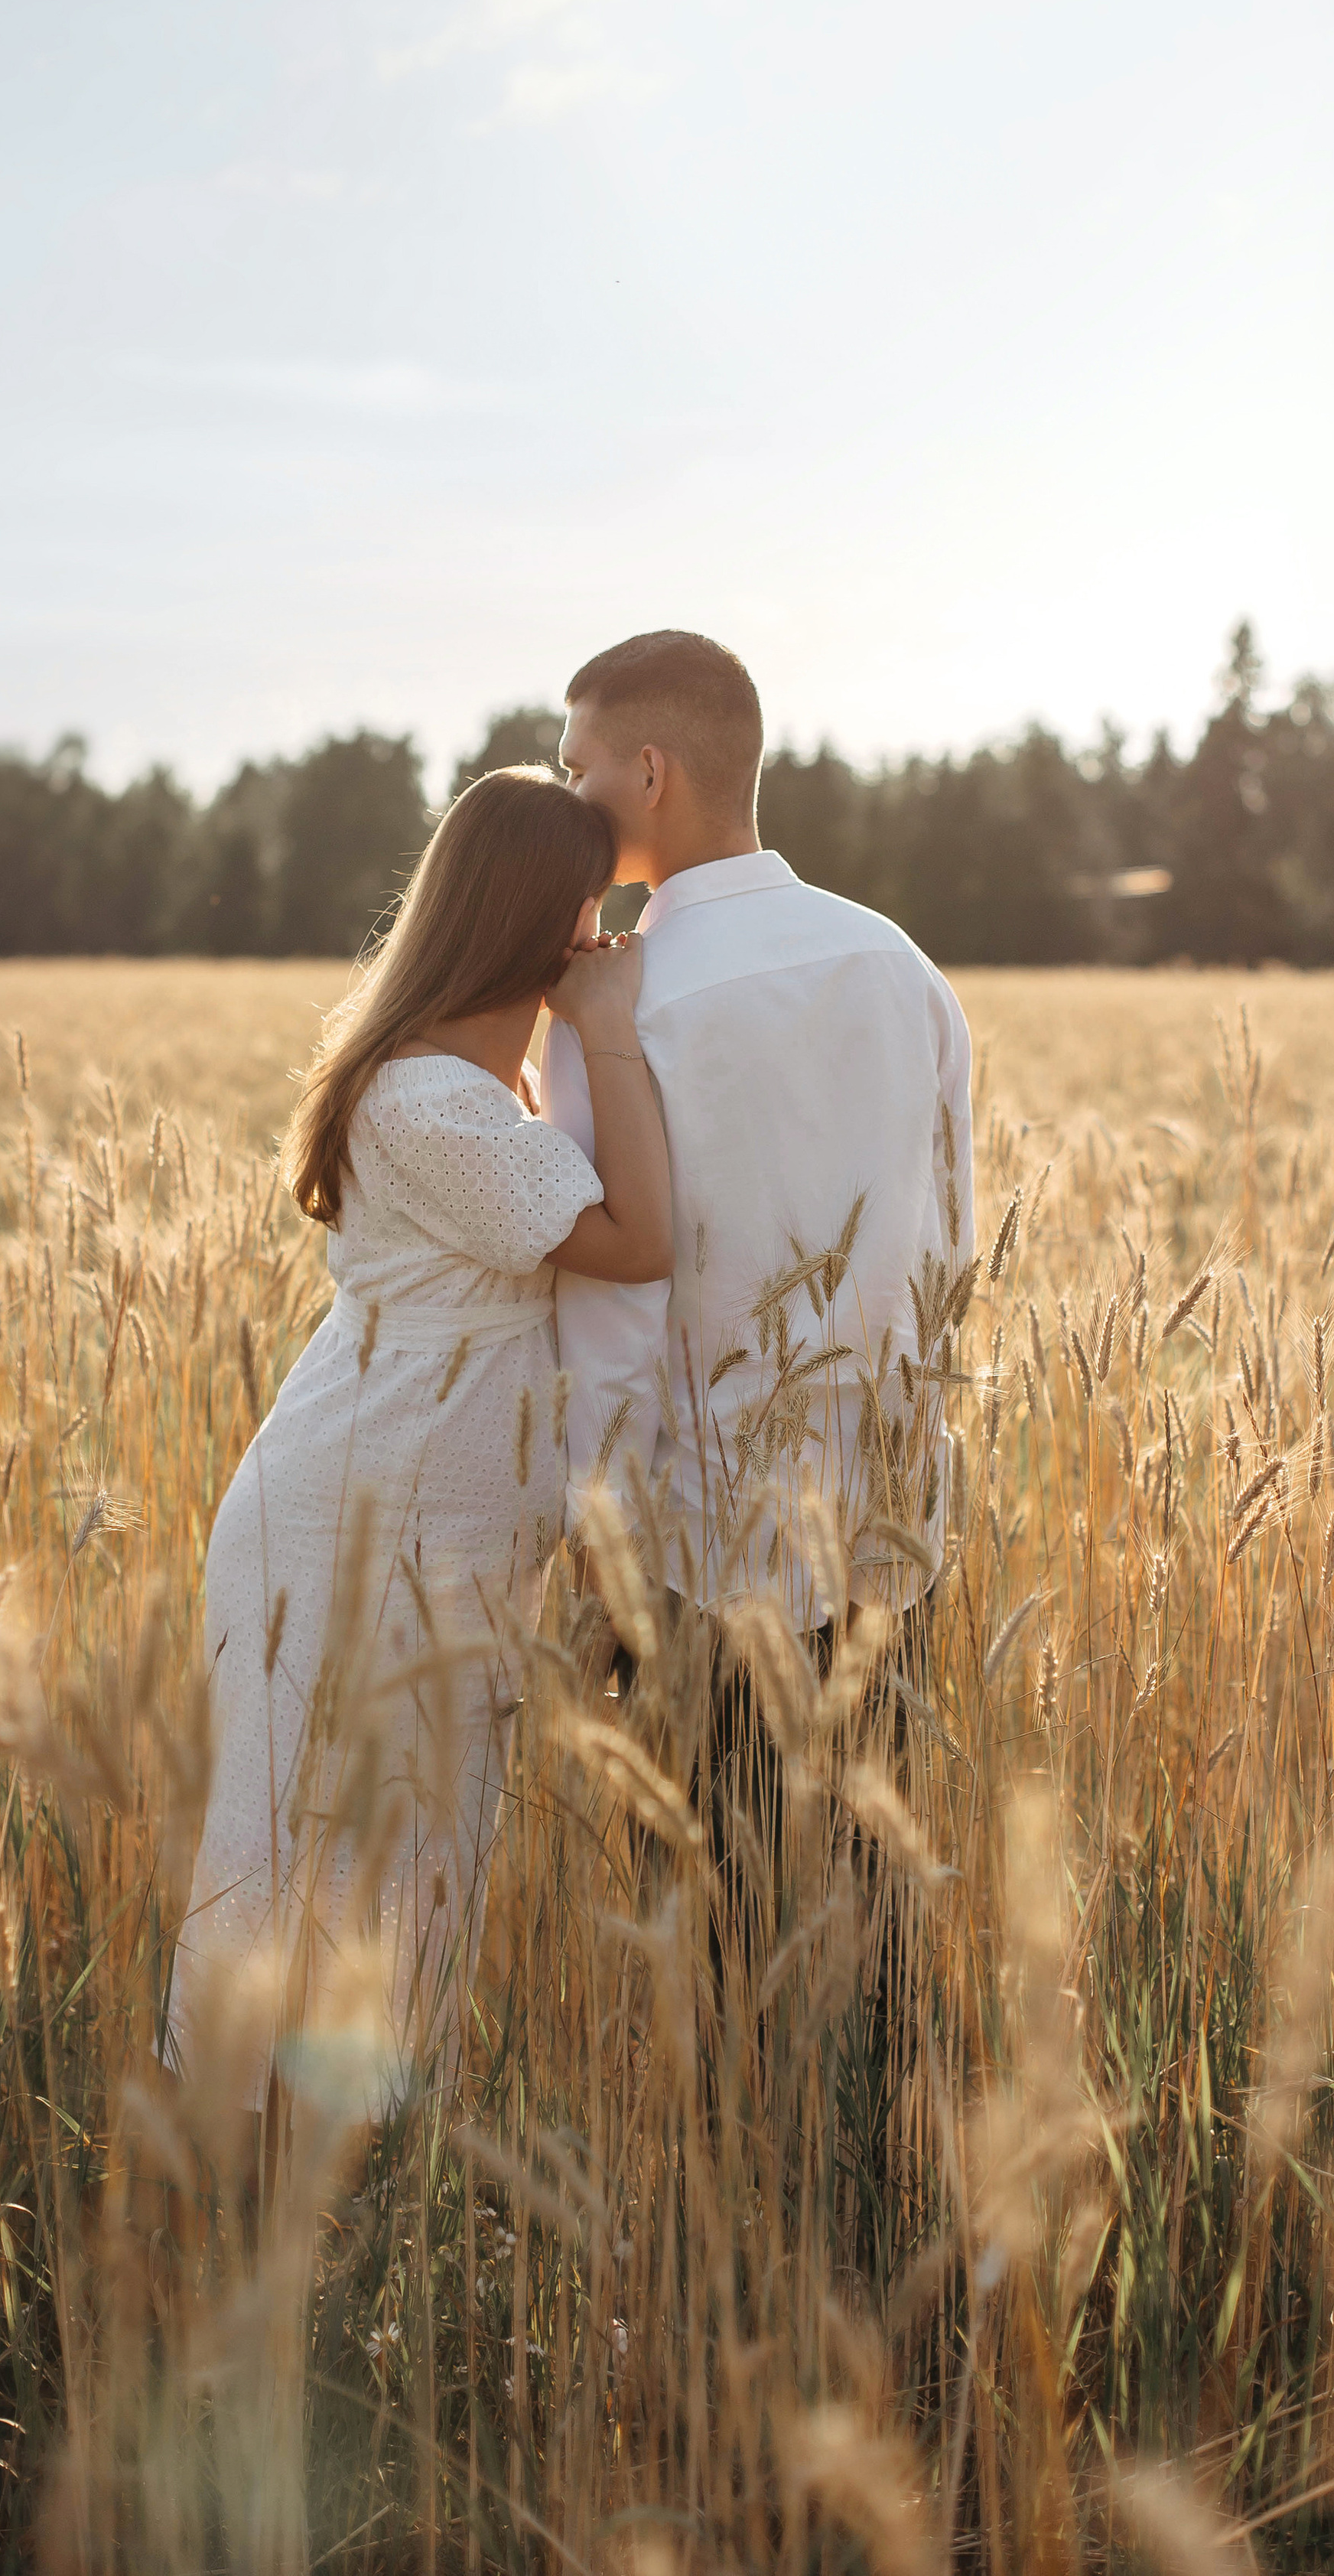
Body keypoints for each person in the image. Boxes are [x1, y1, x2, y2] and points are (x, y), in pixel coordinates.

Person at [166, 767, 671, 2112]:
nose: (613, 936)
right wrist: (612, 1029)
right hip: (358, 1531)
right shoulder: (436, 1106)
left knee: (404, 1860)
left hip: (426, 1538)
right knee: (310, 1856)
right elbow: (641, 1241)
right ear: (545, 918)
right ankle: (259, 2166)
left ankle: (350, 2168)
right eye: (601, 909)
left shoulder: (477, 1089)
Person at [542, 630, 975, 1610]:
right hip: (890, 1542)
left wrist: (600, 1529)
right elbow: (946, 1252)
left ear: (649, 774)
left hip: (698, 1552)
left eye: (577, 768)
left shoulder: (610, 1005)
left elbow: (611, 1308)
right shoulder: (901, 965)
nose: (568, 797)